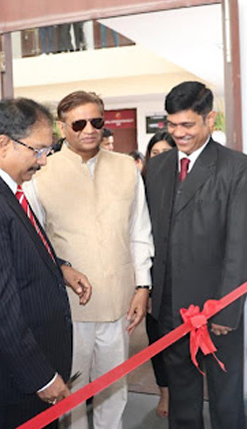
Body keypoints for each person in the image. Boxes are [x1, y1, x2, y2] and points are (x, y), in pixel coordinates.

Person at [0, 97, 92, 429]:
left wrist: (59, 269)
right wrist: (41, 377)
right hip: (13, 380)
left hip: (23, 370)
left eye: (48, 151)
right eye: (38, 150)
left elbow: (13, 253)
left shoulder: (1, 188)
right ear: (4, 143)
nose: (43, 161)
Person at [24, 91, 153, 429]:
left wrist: (143, 286)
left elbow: (139, 231)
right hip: (68, 306)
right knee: (73, 391)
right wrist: (61, 269)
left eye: (96, 121)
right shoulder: (41, 172)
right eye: (79, 124)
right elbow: (33, 241)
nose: (90, 130)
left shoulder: (126, 168)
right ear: (61, 127)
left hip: (118, 300)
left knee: (114, 388)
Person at [145, 81, 247, 428]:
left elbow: (239, 245)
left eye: (187, 124)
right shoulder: (158, 167)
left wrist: (226, 310)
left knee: (225, 397)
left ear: (210, 119)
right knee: (182, 398)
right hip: (170, 308)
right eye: (172, 124)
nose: (178, 133)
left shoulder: (236, 168)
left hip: (216, 307)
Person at [142, 130, 176, 418]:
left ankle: (184, 391)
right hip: (152, 278)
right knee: (157, 340)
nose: (162, 159)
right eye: (156, 154)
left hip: (183, 278)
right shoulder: (141, 189)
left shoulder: (188, 186)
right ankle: (164, 392)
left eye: (167, 153)